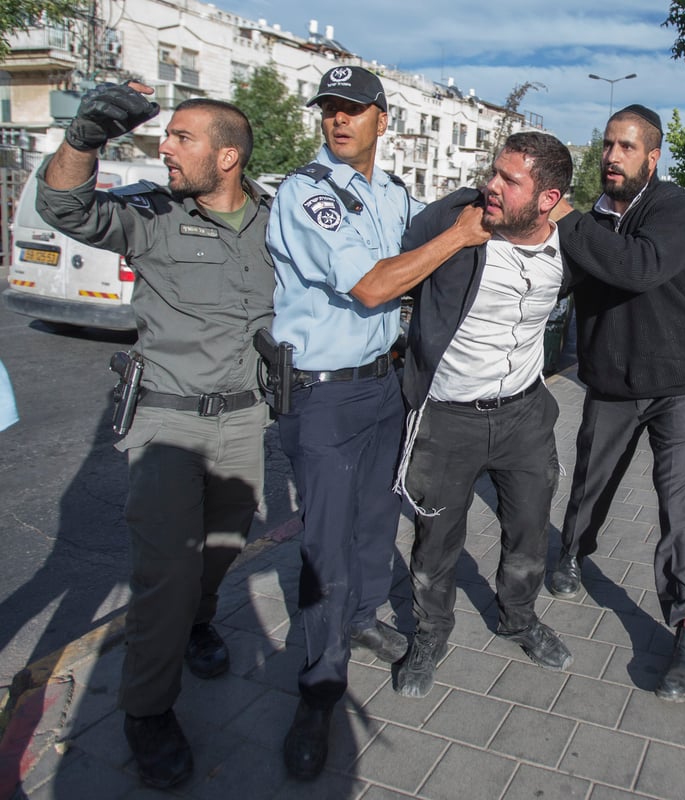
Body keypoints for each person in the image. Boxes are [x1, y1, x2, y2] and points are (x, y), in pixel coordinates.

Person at [36, 84, 271, 789]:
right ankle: (146, 710)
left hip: (246, 418)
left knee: (223, 550)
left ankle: (200, 623)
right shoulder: (151, 215)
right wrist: (84, 139)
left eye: (182, 138)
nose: (165, 148)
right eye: (166, 137)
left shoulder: (278, 222)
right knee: (164, 576)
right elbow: (65, 207)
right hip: (166, 419)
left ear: (227, 156)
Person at [267, 65, 489, 780]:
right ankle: (318, 690)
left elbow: (429, 252)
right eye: (330, 109)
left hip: (384, 387)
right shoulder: (309, 194)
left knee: (373, 523)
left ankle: (362, 618)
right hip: (324, 394)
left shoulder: (394, 196)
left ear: (381, 121)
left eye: (354, 110)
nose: (339, 120)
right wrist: (457, 237)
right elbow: (374, 284)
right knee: (325, 545)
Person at [392, 132, 575, 698]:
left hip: (523, 415)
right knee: (436, 537)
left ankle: (518, 617)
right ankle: (429, 632)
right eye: (493, 171)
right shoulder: (452, 219)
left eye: (509, 180)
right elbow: (392, 276)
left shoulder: (572, 245)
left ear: (548, 199)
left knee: (528, 530)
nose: (491, 186)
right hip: (447, 417)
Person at [546, 104, 685, 701]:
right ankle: (571, 551)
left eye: (626, 146)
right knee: (590, 480)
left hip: (681, 383)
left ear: (653, 155)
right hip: (613, 381)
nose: (612, 156)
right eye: (608, 145)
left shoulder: (678, 209)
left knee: (678, 504)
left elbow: (640, 268)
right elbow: (562, 281)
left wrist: (569, 220)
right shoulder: (593, 217)